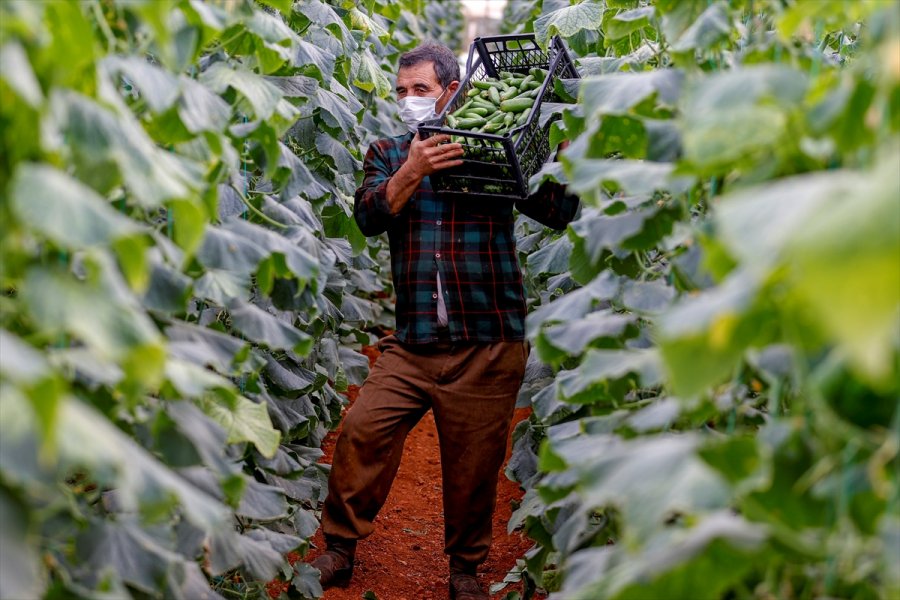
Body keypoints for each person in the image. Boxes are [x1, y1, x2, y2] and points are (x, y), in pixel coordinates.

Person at [310, 41, 579, 600]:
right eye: (402, 92)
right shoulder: (388, 152)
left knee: (474, 464)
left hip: (487, 339)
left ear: (452, 93)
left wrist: (562, 161)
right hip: (413, 342)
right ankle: (339, 549)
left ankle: (464, 570)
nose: (410, 101)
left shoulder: (490, 151)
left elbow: (555, 214)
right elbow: (369, 215)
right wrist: (412, 169)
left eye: (421, 91)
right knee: (362, 431)